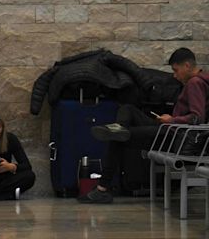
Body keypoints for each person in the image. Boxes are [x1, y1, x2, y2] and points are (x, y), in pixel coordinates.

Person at [79, 47, 209, 204]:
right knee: (128, 109)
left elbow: (197, 118)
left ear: (187, 66)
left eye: (176, 70)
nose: (175, 75)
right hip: (171, 131)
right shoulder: (199, 81)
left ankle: (102, 189)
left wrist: (172, 120)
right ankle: (118, 129)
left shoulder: (195, 83)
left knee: (118, 139)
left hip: (175, 137)